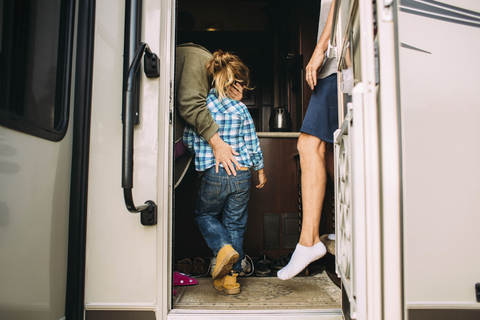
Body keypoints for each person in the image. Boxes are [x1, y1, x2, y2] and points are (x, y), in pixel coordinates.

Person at [183, 50, 267, 294]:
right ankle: (231, 279)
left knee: (205, 215)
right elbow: (252, 142)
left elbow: (189, 137)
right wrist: (260, 169)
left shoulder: (204, 107)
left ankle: (222, 249)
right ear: (236, 83)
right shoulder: (241, 109)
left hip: (215, 171)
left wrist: (203, 154)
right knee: (236, 224)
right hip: (241, 173)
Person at [278, 0, 337, 281]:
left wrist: (320, 48)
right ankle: (352, 224)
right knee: (332, 150)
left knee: (309, 144)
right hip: (337, 63)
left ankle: (309, 241)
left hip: (336, 61)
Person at [174, 43, 244, 189]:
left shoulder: (208, 70)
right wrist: (218, 144)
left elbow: (211, 109)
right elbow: (191, 105)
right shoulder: (198, 59)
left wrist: (234, 103)